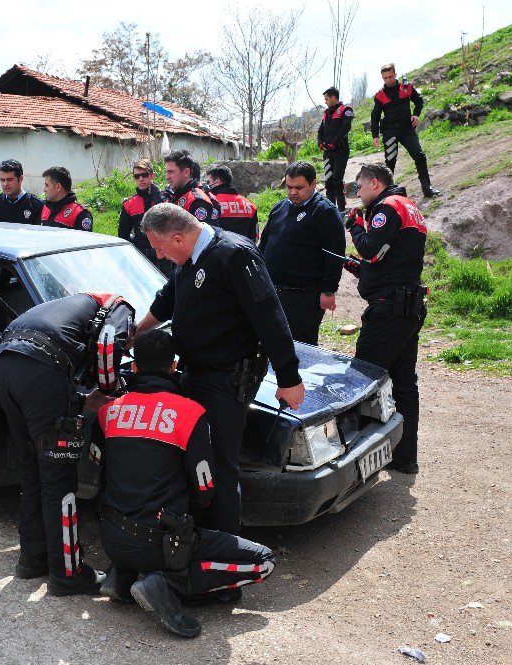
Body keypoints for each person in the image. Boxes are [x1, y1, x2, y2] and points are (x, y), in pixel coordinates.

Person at [135, 203, 305, 535]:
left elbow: (270, 317)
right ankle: (199, 538)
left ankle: (227, 557)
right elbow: (166, 300)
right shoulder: (189, 260)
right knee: (197, 458)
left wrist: (289, 377)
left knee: (220, 465)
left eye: (159, 247)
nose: (159, 255)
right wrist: (136, 334)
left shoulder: (234, 255)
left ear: (179, 238)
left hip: (227, 378)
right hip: (197, 373)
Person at [96, 328, 276, 638]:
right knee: (264, 561)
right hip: (161, 545)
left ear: (135, 367)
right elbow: (205, 490)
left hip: (111, 538)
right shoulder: (190, 414)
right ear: (174, 367)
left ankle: (122, 574)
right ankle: (166, 583)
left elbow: (98, 473)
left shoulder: (107, 412)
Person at [0, 292, 135, 595]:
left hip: (2, 364)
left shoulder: (68, 306)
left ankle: (32, 559)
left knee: (32, 466)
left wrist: (81, 398)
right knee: (59, 478)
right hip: (41, 369)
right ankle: (68, 574)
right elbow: (108, 345)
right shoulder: (121, 307)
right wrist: (108, 389)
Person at [344, 163, 427, 475]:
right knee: (404, 382)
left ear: (374, 184)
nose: (359, 195)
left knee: (361, 378)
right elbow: (393, 259)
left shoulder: (387, 207)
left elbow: (371, 249)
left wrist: (354, 225)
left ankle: (355, 463)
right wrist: (362, 269)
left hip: (390, 308)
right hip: (408, 305)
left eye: (360, 188)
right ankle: (405, 457)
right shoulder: (409, 207)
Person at [259, 161, 346, 345]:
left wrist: (329, 291)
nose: (292, 192)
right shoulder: (280, 207)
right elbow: (265, 243)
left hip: (304, 297)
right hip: (273, 291)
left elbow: (334, 255)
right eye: (289, 187)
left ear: (313, 184)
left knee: (300, 349)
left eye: (299, 187)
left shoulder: (324, 211)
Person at [371, 64, 440, 198]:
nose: (388, 80)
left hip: (407, 129)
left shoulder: (406, 88)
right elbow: (375, 116)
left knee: (419, 156)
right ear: (382, 78)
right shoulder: (380, 95)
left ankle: (427, 188)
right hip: (389, 131)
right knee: (390, 162)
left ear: (395, 75)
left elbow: (419, 101)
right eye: (385, 78)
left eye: (390, 76)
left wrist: (416, 114)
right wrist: (375, 135)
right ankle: (387, 194)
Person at [118, 158, 167, 273]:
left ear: (152, 175)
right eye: (137, 176)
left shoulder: (165, 198)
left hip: (164, 255)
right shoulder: (129, 204)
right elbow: (122, 236)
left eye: (144, 175)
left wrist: (158, 198)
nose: (141, 179)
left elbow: (167, 224)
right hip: (140, 257)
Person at [317, 86, 353, 212]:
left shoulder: (346, 110)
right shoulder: (326, 114)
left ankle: (342, 210)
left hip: (341, 151)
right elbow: (320, 131)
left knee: (337, 180)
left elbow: (346, 127)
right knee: (328, 182)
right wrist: (320, 143)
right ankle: (331, 211)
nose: (325, 101)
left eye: (326, 99)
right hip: (328, 153)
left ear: (333, 98)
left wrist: (334, 142)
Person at [162, 151, 220, 225]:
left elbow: (198, 235)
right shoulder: (175, 194)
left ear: (186, 172)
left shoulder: (196, 200)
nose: (167, 177)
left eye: (171, 172)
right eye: (166, 172)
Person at [204, 164, 258, 241]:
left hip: (217, 251)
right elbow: (255, 238)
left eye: (208, 182)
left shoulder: (209, 203)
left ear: (217, 182)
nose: (207, 186)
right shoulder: (250, 205)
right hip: (244, 250)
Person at [0, 159, 44, 224]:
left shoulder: (36, 205)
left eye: (10, 180)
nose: (5, 184)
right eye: (2, 180)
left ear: (20, 179)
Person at [39, 166, 93, 231]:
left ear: (58, 187)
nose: (44, 189)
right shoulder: (44, 208)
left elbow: (84, 240)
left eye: (47, 185)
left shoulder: (81, 213)